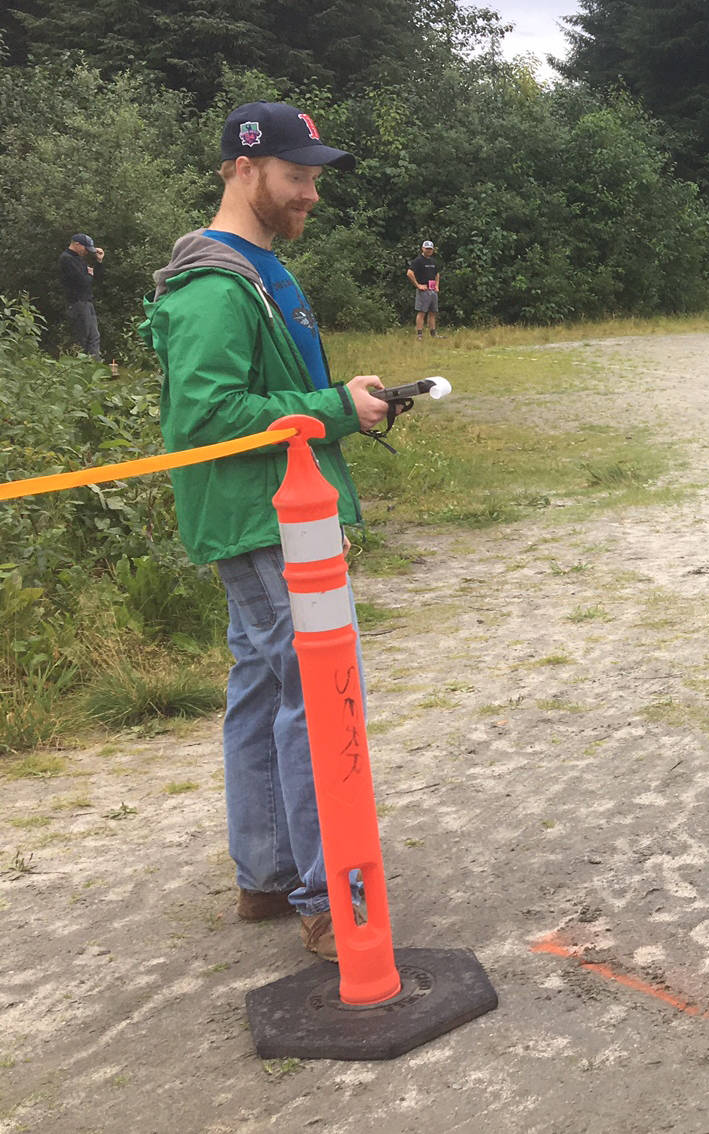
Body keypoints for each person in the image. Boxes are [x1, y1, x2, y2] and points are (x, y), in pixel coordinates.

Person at [141, 101, 389, 961]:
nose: (310, 194)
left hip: (269, 510)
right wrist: (335, 410)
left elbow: (262, 388)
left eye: (314, 178)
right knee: (315, 692)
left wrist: (339, 394)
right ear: (242, 171)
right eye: (295, 177)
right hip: (259, 519)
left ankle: (269, 875)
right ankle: (331, 892)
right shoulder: (215, 284)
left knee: (261, 682)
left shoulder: (254, 268)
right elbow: (207, 415)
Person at [57, 233, 105, 362]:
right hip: (77, 302)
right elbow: (82, 281)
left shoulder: (79, 259)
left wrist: (99, 262)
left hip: (87, 301)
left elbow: (98, 279)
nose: (86, 252)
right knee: (83, 338)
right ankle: (79, 367)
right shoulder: (67, 259)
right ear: (77, 244)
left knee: (94, 336)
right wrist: (88, 275)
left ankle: (95, 366)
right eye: (86, 248)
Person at [407, 239, 441, 339]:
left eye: (430, 249)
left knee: (433, 312)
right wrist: (418, 285)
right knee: (422, 312)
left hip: (432, 290)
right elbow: (409, 273)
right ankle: (419, 335)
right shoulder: (418, 261)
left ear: (433, 250)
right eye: (427, 248)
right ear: (422, 248)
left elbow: (437, 274)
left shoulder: (433, 261)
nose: (429, 250)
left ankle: (433, 334)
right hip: (423, 290)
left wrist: (437, 286)